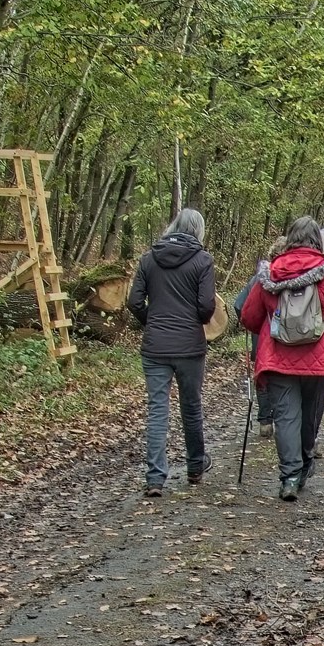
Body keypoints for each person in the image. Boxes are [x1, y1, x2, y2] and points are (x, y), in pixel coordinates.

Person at [234, 215, 324, 502]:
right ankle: (305, 463)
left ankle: (289, 476)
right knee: (311, 413)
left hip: (278, 356)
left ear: (290, 238)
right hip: (319, 357)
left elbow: (249, 316)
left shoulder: (271, 272)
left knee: (286, 416)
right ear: (317, 240)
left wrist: (267, 329)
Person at [125, 208, 217, 497]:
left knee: (157, 410)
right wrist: (193, 321)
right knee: (191, 406)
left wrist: (152, 320)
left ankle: (154, 477)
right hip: (189, 345)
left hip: (155, 346)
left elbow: (134, 302)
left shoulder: (148, 259)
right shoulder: (203, 261)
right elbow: (206, 307)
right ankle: (194, 466)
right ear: (198, 230)